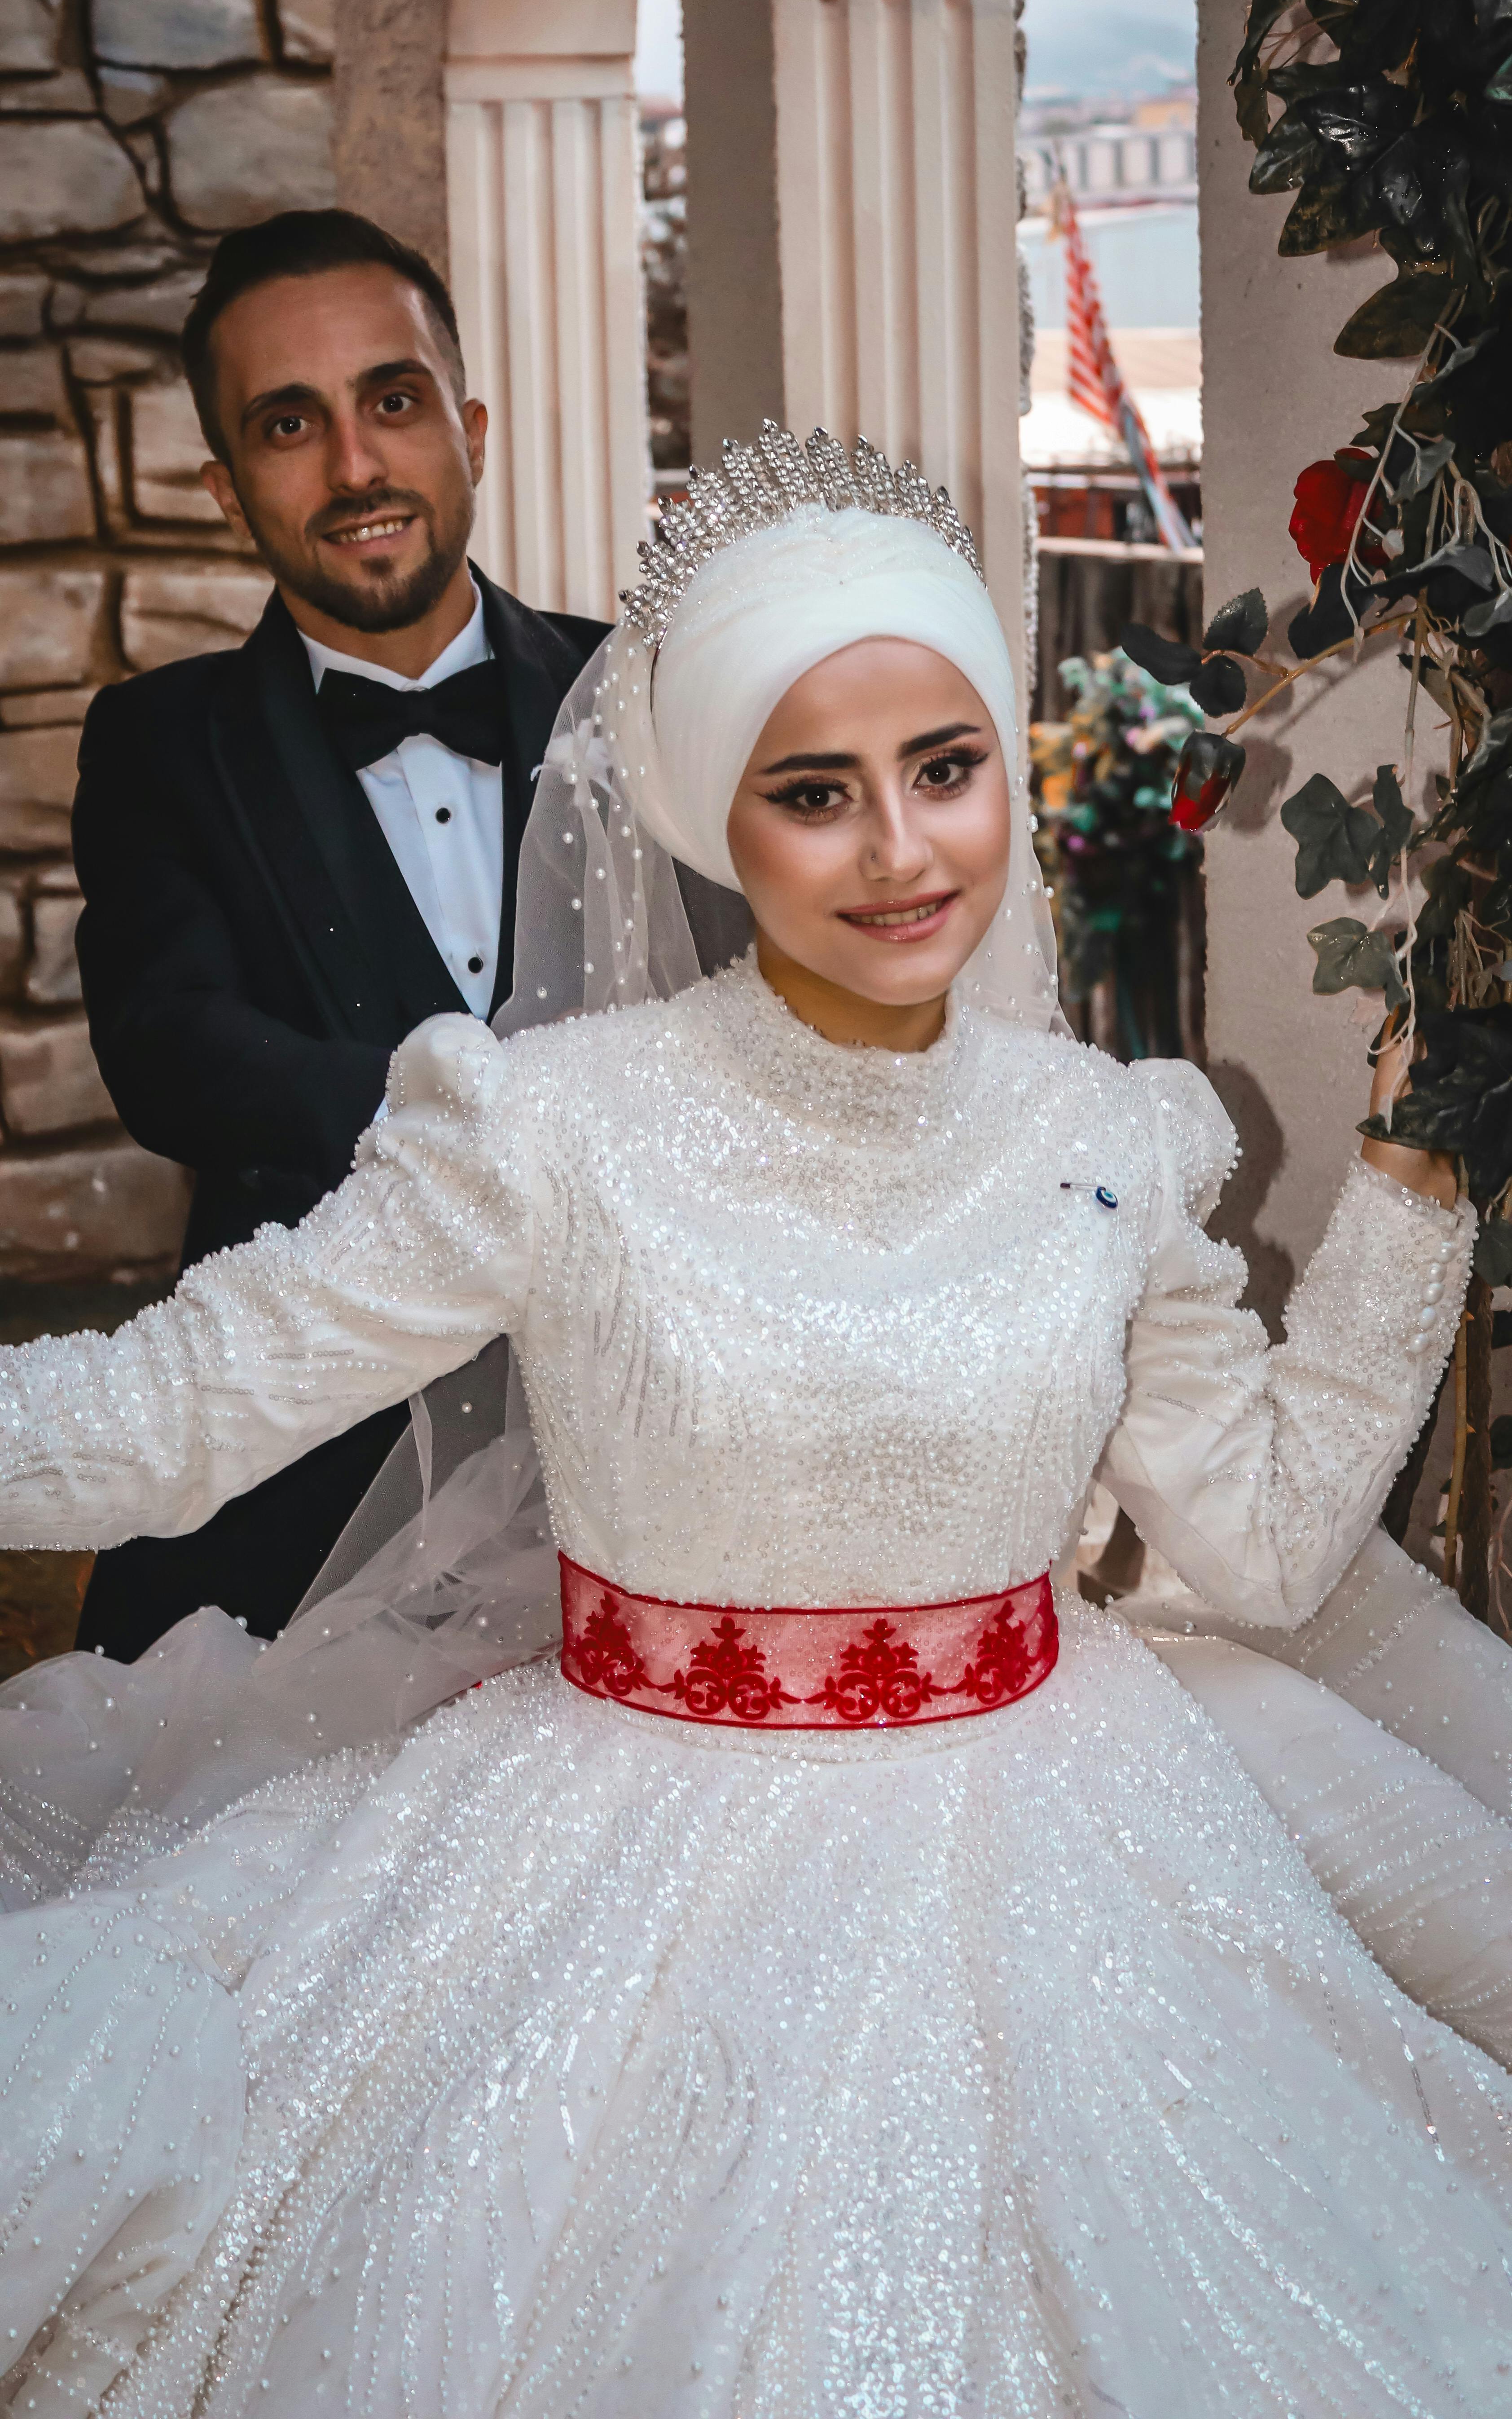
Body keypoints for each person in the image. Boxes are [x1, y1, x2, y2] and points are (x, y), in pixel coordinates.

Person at [1, 424, 1512, 2416]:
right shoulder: (546, 1129)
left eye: (944, 768)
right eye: (815, 794)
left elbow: (1256, 1546)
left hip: (1071, 1859)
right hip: (608, 1871)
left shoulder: (1110, 1139)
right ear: (714, 815)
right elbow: (179, 1414)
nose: (900, 851)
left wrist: (1410, 1199)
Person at [69, 209, 608, 1660]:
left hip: (637, 1468)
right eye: (290, 424)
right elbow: (168, 1048)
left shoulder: (643, 694)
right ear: (228, 485)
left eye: (394, 400)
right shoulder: (157, 743)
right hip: (299, 1496)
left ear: (470, 426)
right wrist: (455, 1128)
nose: (358, 465)